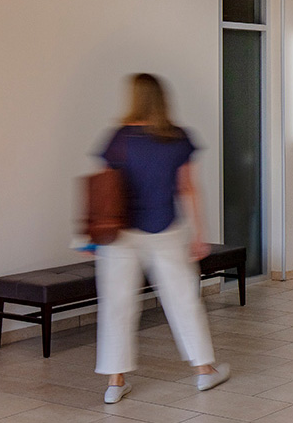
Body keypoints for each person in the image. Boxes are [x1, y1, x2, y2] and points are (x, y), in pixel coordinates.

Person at [94, 73, 228, 404]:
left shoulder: (118, 138)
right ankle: (204, 371)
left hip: (121, 234)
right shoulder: (178, 138)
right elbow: (187, 188)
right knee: (183, 300)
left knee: (117, 306)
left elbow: (104, 190)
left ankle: (115, 382)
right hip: (165, 229)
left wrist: (91, 236)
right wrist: (199, 234)